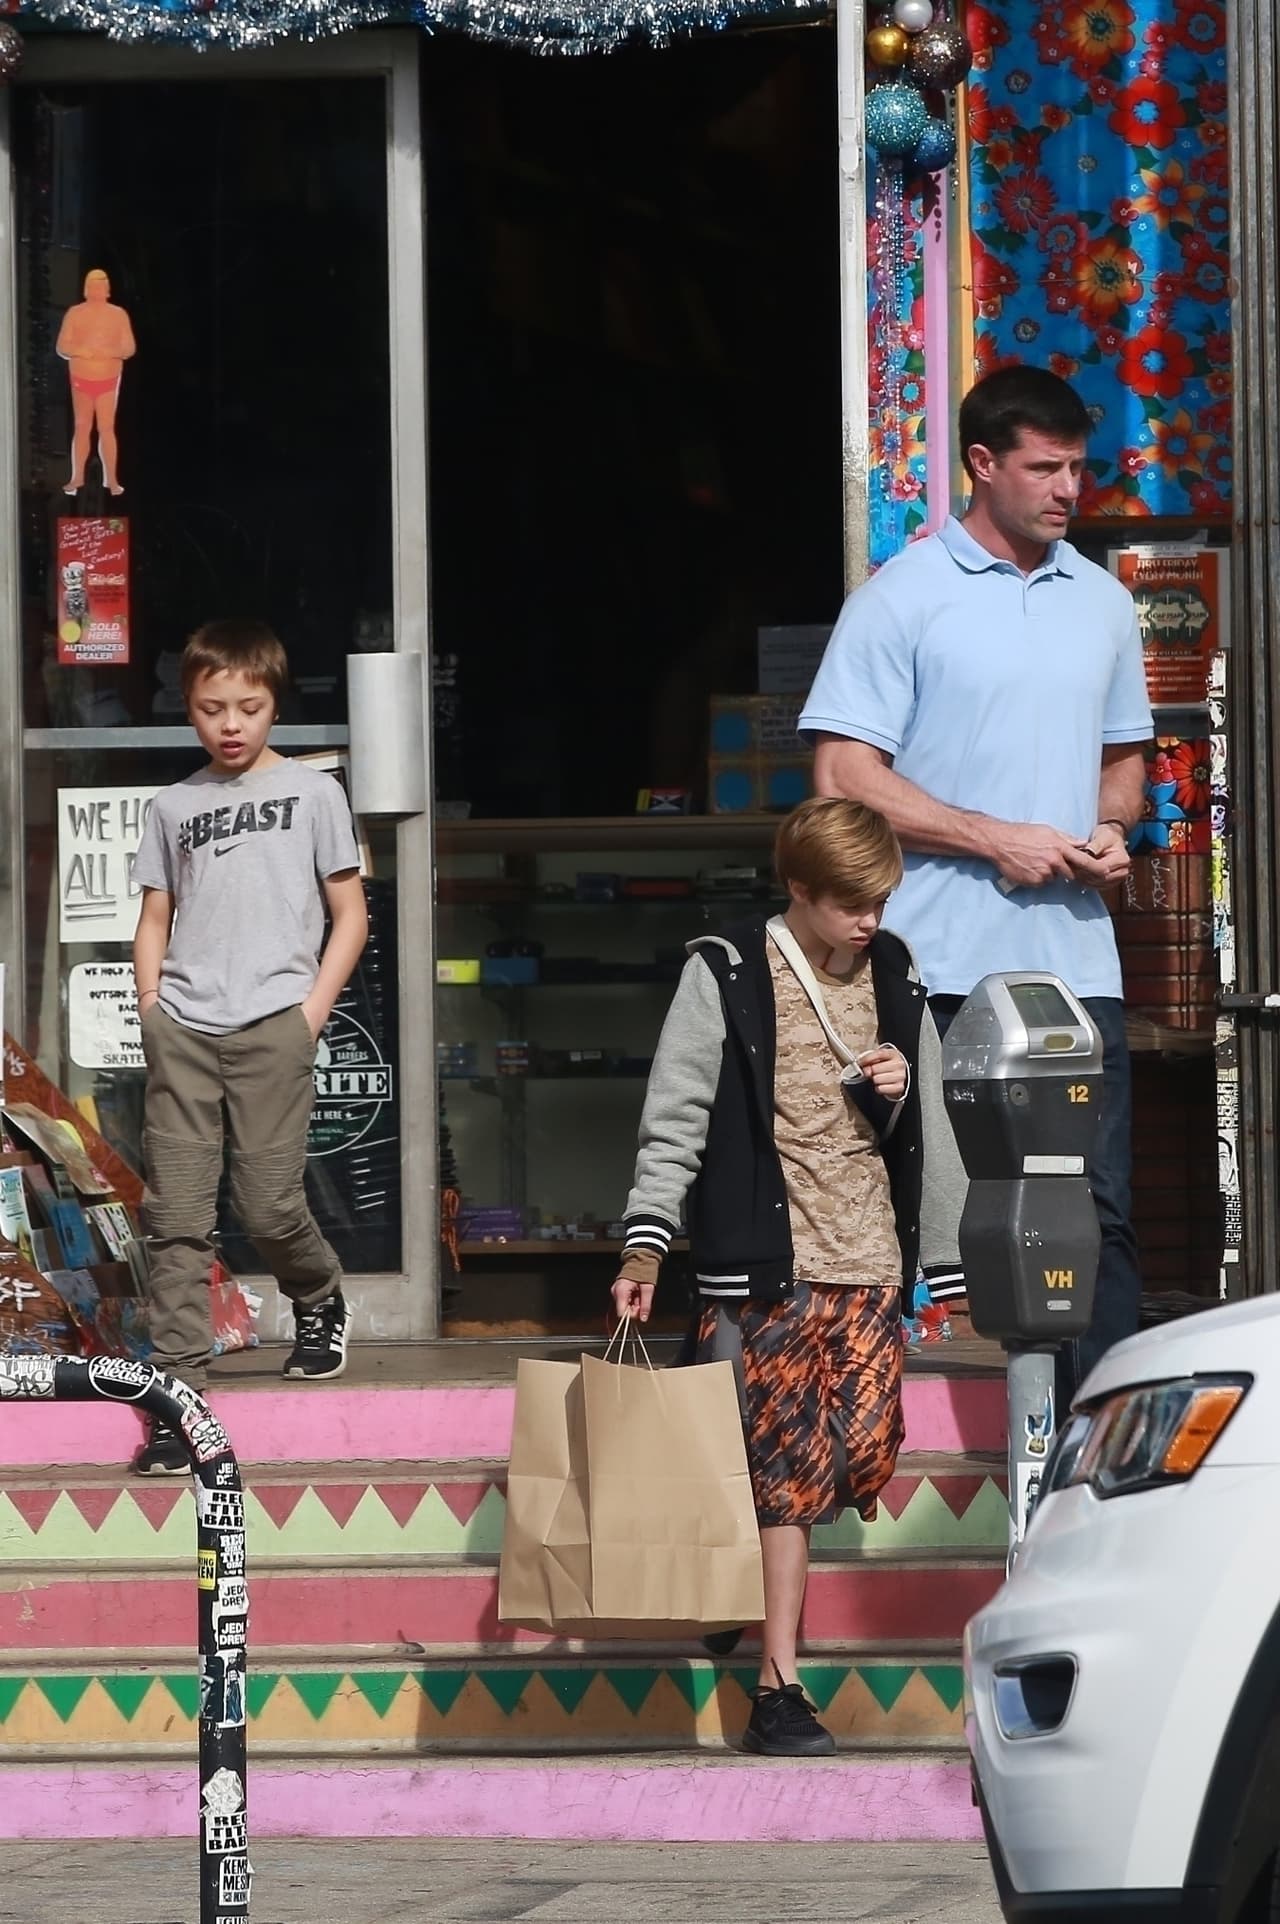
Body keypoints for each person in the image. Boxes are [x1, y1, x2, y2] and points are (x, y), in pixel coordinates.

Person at [798, 365, 1152, 1397]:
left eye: (1077, 468)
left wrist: (1110, 826)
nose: (1065, 490)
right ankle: (890, 1418)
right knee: (927, 1207)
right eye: (1043, 467)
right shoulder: (901, 598)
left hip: (1073, 965)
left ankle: (1101, 1451)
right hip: (937, 961)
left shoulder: (1099, 601)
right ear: (980, 463)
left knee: (1095, 1212)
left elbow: (1122, 759)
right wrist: (988, 838)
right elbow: (840, 775)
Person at [610, 797, 965, 1756]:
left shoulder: (895, 973)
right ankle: (779, 1690)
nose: (869, 921)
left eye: (880, 901)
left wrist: (944, 1254)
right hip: (763, 1271)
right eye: (851, 902)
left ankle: (733, 1580)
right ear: (799, 890)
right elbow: (676, 1111)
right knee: (792, 1478)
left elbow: (929, 1119)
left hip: (871, 1266)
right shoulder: (725, 970)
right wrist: (646, 1245)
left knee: (863, 1455)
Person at [130, 620, 369, 1475]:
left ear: (274, 704)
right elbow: (155, 916)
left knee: (268, 1204)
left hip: (274, 1024)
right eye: (211, 709)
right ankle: (177, 1400)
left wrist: (309, 1012)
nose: (231, 724)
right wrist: (153, 1001)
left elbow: (351, 913)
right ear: (188, 710)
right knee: (178, 1222)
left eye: (249, 707)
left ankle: (317, 1294)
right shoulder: (172, 806)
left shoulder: (314, 795)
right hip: (185, 1029)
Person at [56, 269, 137, 497]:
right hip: (81, 379)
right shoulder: (75, 313)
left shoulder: (118, 315)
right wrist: (82, 350)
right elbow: (63, 345)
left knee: (106, 428)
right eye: (93, 285)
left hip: (108, 380)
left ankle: (111, 479)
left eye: (101, 285)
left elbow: (129, 347)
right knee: (82, 427)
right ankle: (77, 477)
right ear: (86, 289)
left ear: (107, 289)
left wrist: (110, 350)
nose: (97, 290)